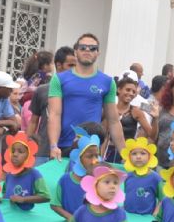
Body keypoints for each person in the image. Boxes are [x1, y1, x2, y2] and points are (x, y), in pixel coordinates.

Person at [47, 33, 125, 161]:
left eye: (92, 48)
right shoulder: (59, 79)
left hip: (91, 148)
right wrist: (53, 146)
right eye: (83, 47)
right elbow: (54, 115)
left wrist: (124, 154)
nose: (87, 50)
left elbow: (114, 121)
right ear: (75, 51)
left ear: (98, 53)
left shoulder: (107, 82)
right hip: (63, 147)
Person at [28, 46, 74, 164]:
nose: (74, 70)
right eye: (70, 65)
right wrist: (27, 145)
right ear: (58, 65)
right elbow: (33, 122)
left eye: (76, 66)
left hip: (70, 153)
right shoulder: (42, 90)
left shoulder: (79, 93)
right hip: (43, 152)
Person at [107, 76, 153, 163]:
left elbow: (151, 134)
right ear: (119, 89)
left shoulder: (136, 111)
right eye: (128, 90)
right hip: (108, 151)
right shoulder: (109, 109)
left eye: (134, 92)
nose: (131, 93)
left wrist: (138, 147)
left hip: (127, 153)